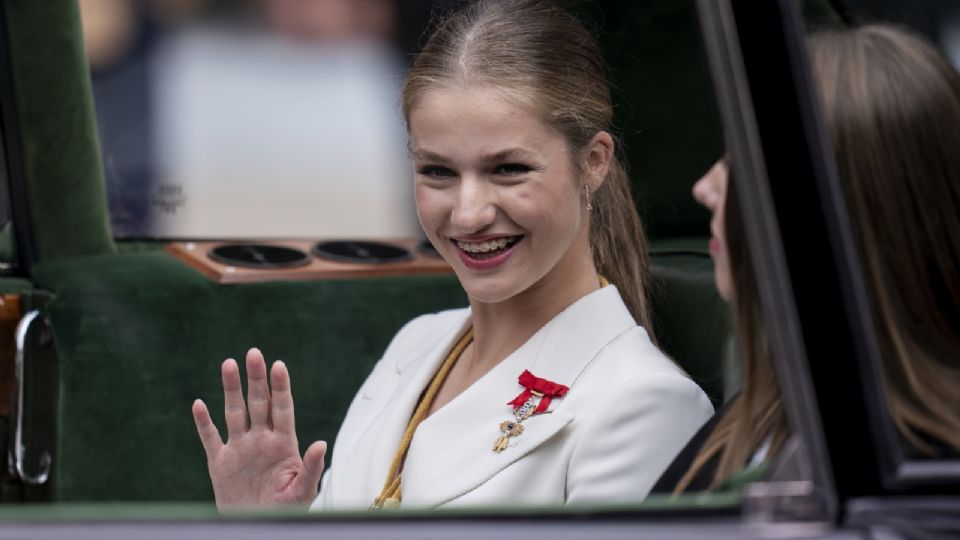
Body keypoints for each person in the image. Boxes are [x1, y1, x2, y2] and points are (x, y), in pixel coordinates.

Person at [191, 0, 713, 510]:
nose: (467, 215)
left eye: (509, 169)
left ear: (593, 163)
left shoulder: (644, 404)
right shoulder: (416, 344)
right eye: (438, 172)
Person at [657, 23, 960, 494]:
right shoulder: (762, 420)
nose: (704, 188)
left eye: (744, 162)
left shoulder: (916, 487)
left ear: (839, 205)